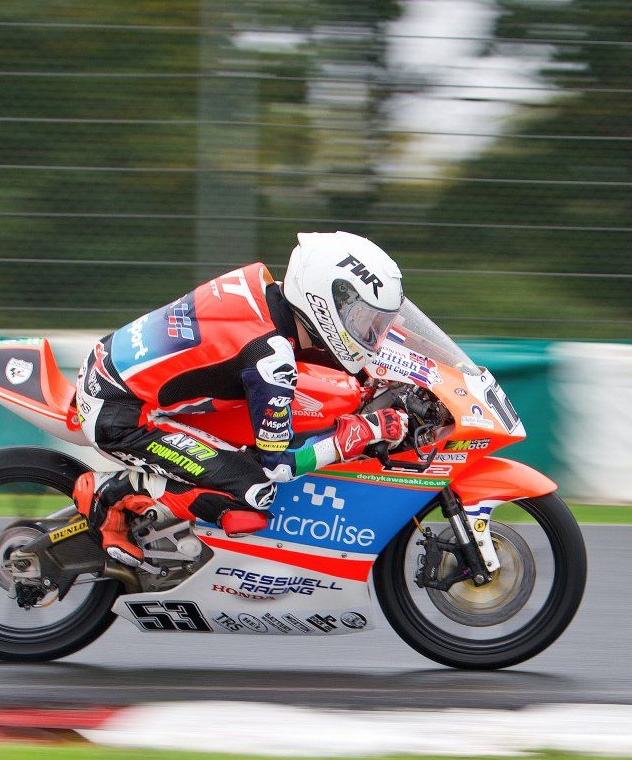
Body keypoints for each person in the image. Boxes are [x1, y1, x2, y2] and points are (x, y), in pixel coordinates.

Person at [70, 231, 410, 567]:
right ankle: (111, 495)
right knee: (255, 491)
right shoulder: (269, 357)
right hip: (122, 417)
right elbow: (278, 465)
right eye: (363, 320)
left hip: (113, 368)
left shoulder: (260, 286)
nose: (369, 333)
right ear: (324, 300)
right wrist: (355, 435)